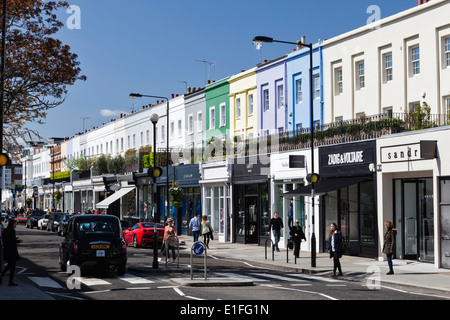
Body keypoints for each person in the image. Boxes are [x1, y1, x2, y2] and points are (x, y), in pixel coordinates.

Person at [1, 219, 22, 286]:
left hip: (6, 250)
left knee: (9, 265)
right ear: (12, 224)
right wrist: (18, 241)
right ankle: (10, 281)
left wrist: (14, 239)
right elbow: (12, 241)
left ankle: (1, 277)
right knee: (12, 266)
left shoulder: (5, 231)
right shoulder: (12, 231)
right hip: (12, 250)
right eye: (15, 224)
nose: (15, 225)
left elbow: (7, 240)